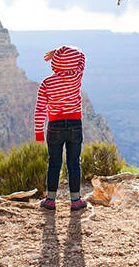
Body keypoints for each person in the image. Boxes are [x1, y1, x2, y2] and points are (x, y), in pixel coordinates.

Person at [34, 45, 87, 211]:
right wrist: (57, 51)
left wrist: (39, 133)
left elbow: (40, 109)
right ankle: (75, 200)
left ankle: (50, 200)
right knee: (74, 163)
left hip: (54, 126)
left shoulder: (46, 83)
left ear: (54, 64)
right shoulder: (76, 77)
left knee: (54, 163)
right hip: (74, 124)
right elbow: (82, 57)